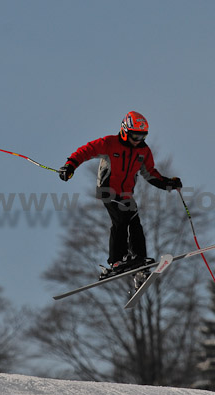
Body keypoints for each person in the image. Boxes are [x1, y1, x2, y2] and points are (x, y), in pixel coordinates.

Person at [59, 111, 182, 279]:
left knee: (135, 223)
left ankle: (139, 263)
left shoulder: (143, 151)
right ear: (125, 131)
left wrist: (168, 183)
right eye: (135, 136)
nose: (138, 141)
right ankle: (116, 260)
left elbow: (150, 173)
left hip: (125, 194)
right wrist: (70, 165)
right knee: (122, 220)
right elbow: (86, 150)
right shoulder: (110, 143)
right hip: (107, 189)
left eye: (142, 137)